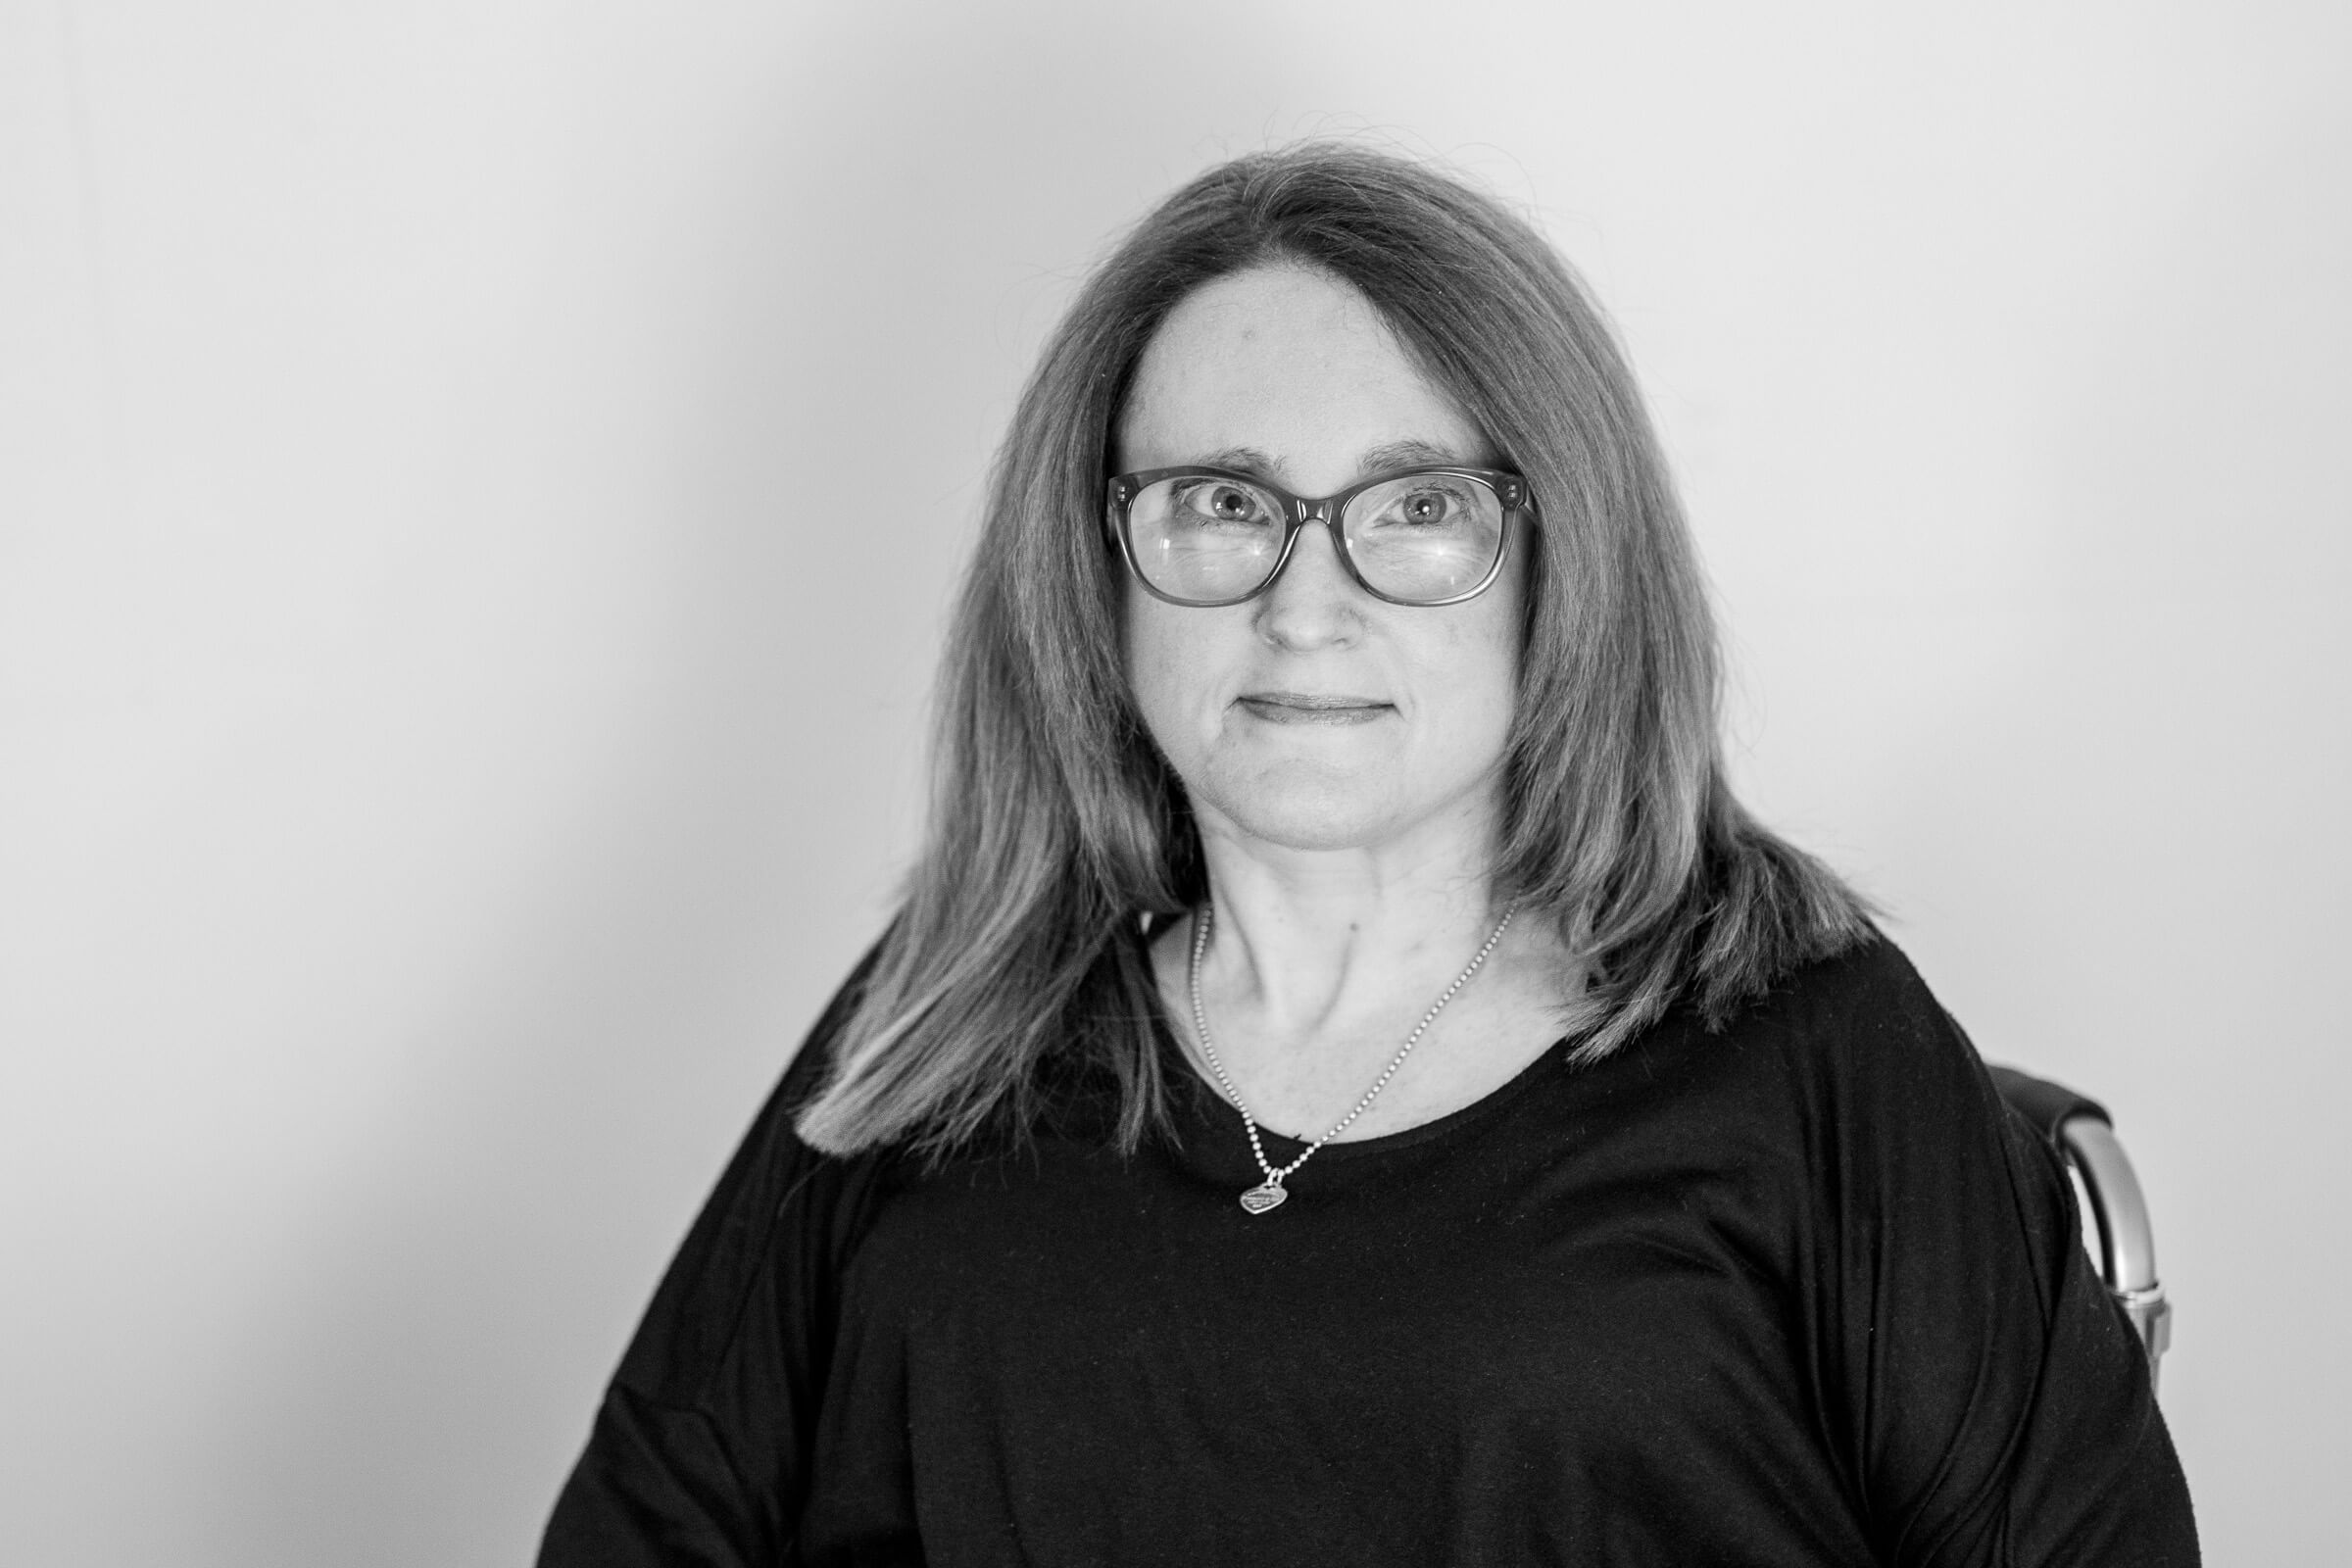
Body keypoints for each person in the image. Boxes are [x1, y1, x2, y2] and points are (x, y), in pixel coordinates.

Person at [539, 144, 2196, 1565]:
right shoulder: (945, 1024)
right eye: (1221, 503)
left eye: (1415, 509)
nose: (1304, 603)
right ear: (1097, 569)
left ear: (1563, 561)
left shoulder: (1812, 1056)